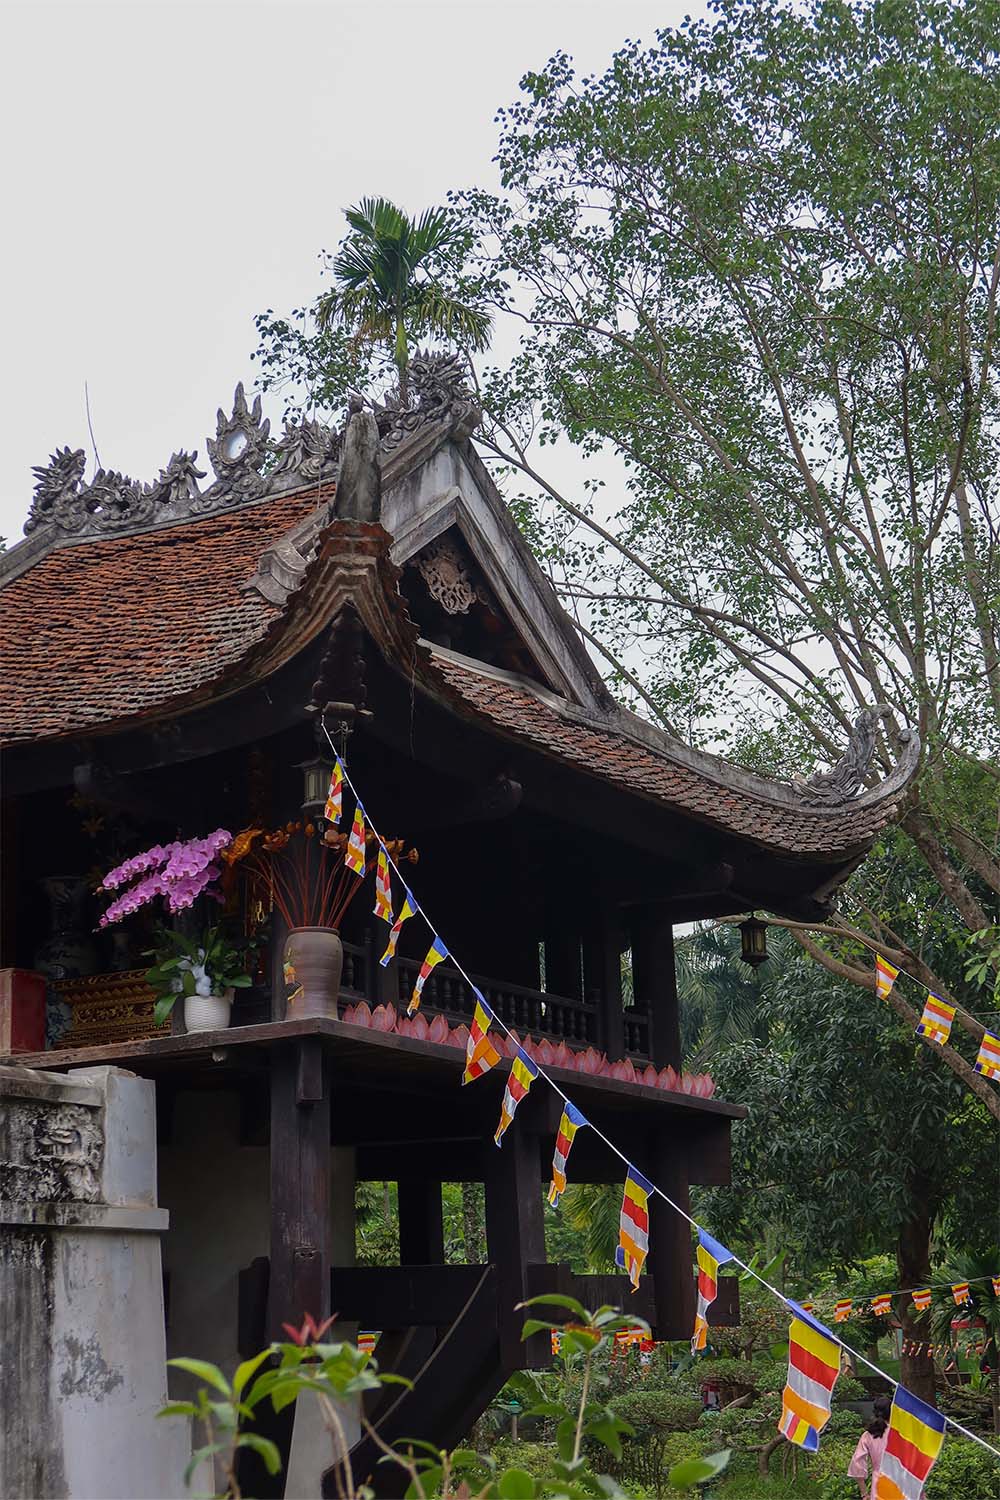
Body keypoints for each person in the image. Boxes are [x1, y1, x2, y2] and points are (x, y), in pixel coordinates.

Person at [848, 1394, 891, 1500]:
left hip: (879, 1484)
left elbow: (857, 1462)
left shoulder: (868, 1435)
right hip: (901, 1484)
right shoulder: (900, 1434)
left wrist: (864, 1493)